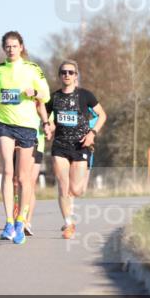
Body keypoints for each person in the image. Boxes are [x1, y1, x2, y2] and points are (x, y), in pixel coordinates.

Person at [0, 31, 50, 245]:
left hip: (26, 126)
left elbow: (46, 94)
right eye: (7, 46)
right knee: (7, 171)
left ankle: (20, 222)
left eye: (14, 46)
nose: (11, 49)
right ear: (3, 48)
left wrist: (34, 92)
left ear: (22, 47)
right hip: (4, 124)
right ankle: (7, 222)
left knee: (24, 178)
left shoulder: (32, 69)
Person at [43, 60, 106, 239]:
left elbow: (102, 115)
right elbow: (47, 118)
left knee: (76, 190)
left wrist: (92, 133)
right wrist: (47, 127)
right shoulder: (54, 98)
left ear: (76, 75)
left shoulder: (85, 95)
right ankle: (68, 223)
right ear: (59, 75)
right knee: (63, 187)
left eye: (71, 72)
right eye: (63, 72)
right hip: (60, 146)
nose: (67, 75)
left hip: (81, 146)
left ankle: (86, 170)